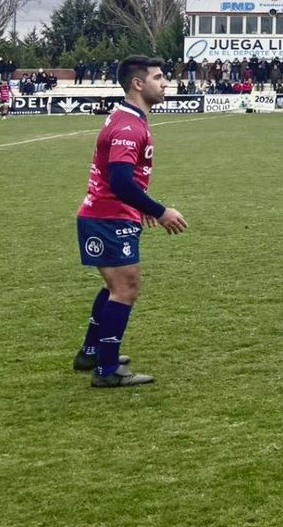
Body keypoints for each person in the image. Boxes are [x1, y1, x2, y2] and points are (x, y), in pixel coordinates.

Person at [74, 55, 189, 387]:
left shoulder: (128, 118)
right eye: (158, 77)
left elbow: (125, 181)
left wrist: (140, 207)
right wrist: (158, 210)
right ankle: (107, 371)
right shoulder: (128, 126)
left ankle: (91, 352)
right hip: (108, 218)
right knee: (125, 289)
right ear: (138, 84)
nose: (165, 83)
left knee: (114, 286)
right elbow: (121, 181)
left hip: (107, 214)